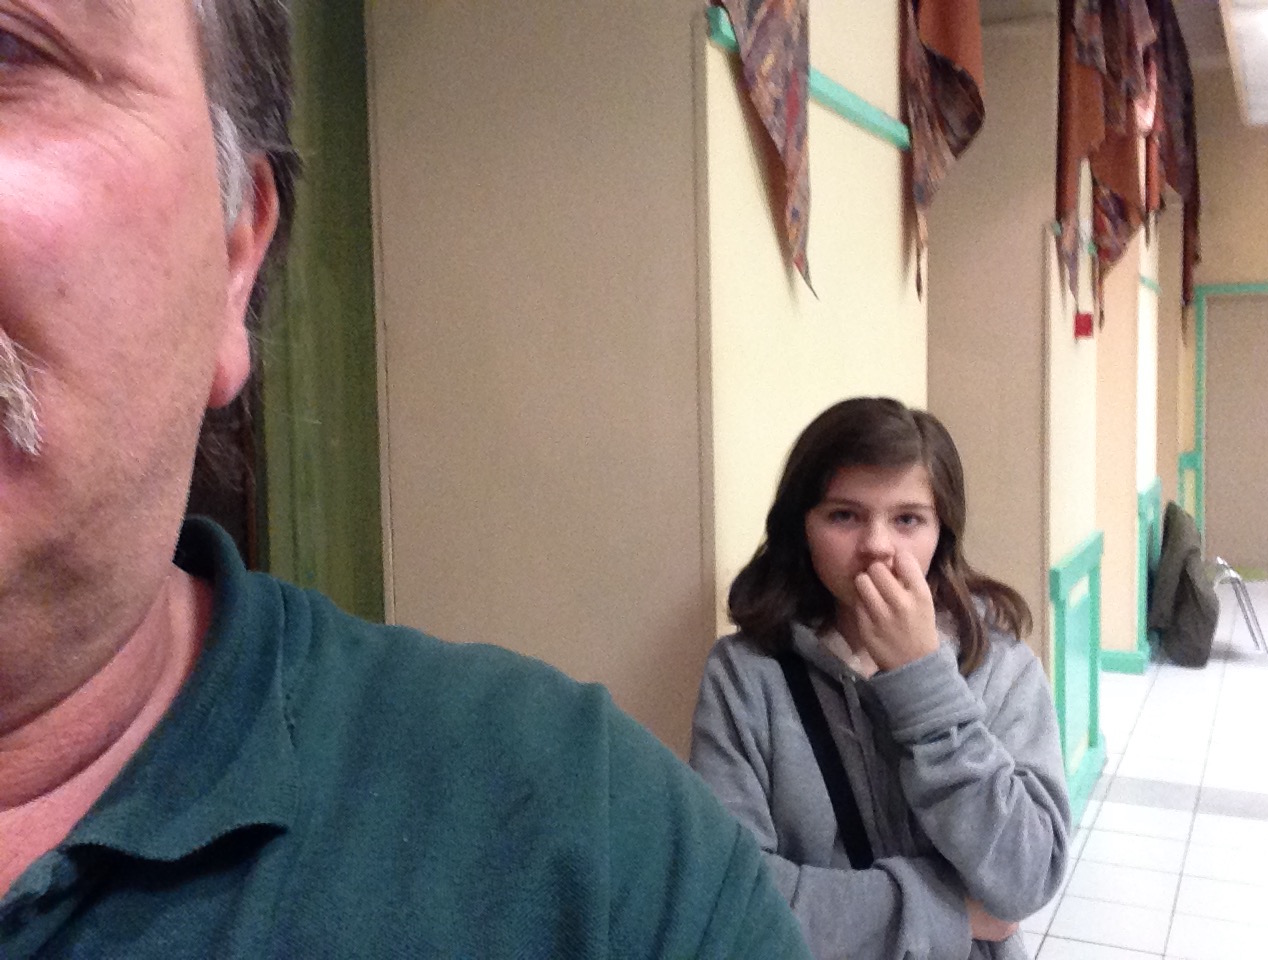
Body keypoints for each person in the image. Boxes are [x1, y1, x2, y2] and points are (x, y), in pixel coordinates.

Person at [0, 3, 813, 957]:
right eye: (846, 513)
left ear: (234, 255)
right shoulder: (744, 687)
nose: (880, 547)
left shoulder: (590, 860)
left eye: (9, 51)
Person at [690, 398, 1071, 960]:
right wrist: (949, 912)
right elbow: (734, 903)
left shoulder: (1001, 668)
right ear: (803, 526)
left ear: (942, 533)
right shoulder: (744, 675)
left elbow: (1026, 879)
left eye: (907, 519)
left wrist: (923, 684)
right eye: (844, 516)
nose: (877, 545)